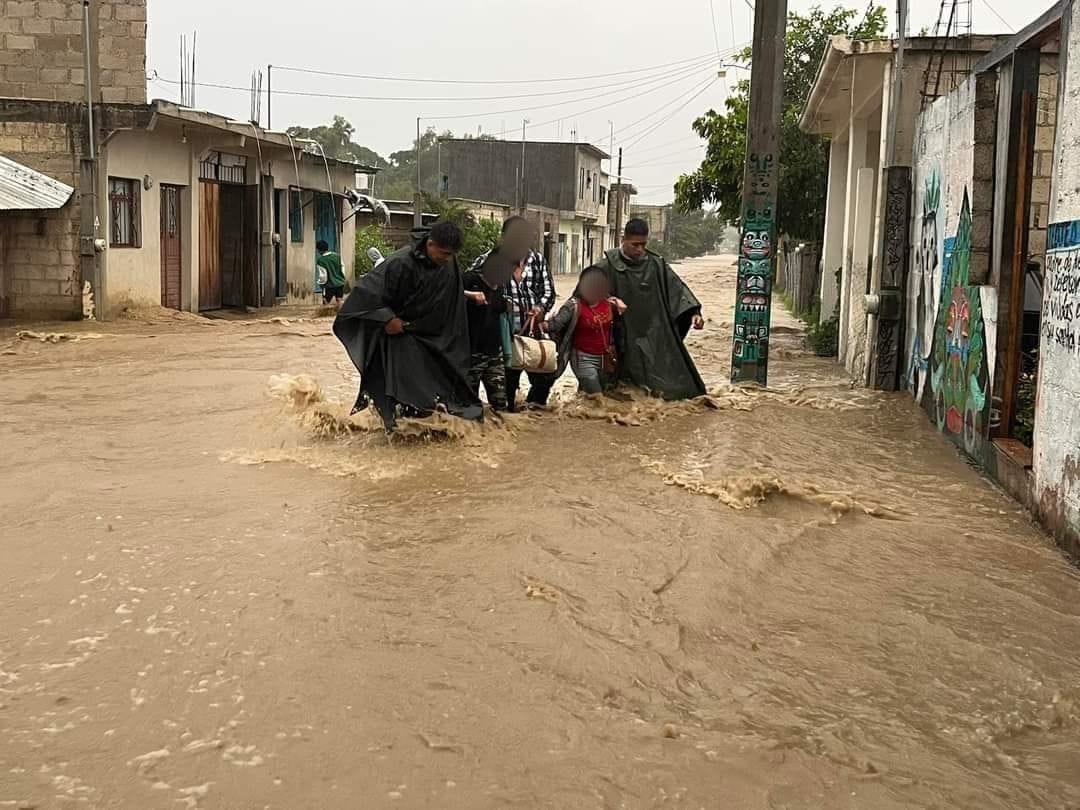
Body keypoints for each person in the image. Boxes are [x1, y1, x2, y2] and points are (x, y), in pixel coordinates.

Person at [333, 222, 482, 431]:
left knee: (449, 389)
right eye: (444, 254)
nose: (448, 259)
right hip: (400, 338)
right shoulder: (400, 263)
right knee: (402, 396)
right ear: (430, 244)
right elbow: (364, 297)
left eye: (451, 255)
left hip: (435, 337)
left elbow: (452, 301)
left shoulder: (449, 263)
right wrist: (387, 318)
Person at [596, 218, 706, 399]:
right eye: (635, 245)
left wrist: (693, 313)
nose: (640, 250)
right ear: (623, 239)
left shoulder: (657, 265)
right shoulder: (606, 266)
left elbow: (678, 290)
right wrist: (610, 301)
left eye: (644, 245)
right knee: (612, 385)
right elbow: (586, 296)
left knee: (661, 385)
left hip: (650, 333)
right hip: (616, 334)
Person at [469, 216, 557, 410]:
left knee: (545, 378)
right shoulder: (486, 260)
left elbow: (549, 292)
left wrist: (540, 309)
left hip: (533, 335)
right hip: (503, 338)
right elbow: (466, 286)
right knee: (506, 388)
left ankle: (532, 415)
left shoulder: (538, 260)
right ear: (503, 238)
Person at [545, 266, 627, 394]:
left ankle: (577, 411)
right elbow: (554, 325)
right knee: (596, 397)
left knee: (602, 397)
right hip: (583, 359)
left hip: (606, 358)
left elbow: (619, 326)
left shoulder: (609, 303)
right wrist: (542, 323)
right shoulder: (573, 305)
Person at [462, 247, 522, 411]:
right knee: (469, 405)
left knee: (500, 403)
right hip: (471, 354)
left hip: (494, 353)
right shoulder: (470, 279)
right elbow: (449, 293)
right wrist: (470, 295)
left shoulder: (500, 288)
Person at [316, 240, 347, 305]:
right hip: (340, 284)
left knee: (326, 303)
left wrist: (320, 283)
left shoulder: (321, 261)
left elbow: (323, 276)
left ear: (319, 250)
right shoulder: (337, 256)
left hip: (329, 285)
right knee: (339, 301)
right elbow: (343, 268)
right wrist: (342, 278)